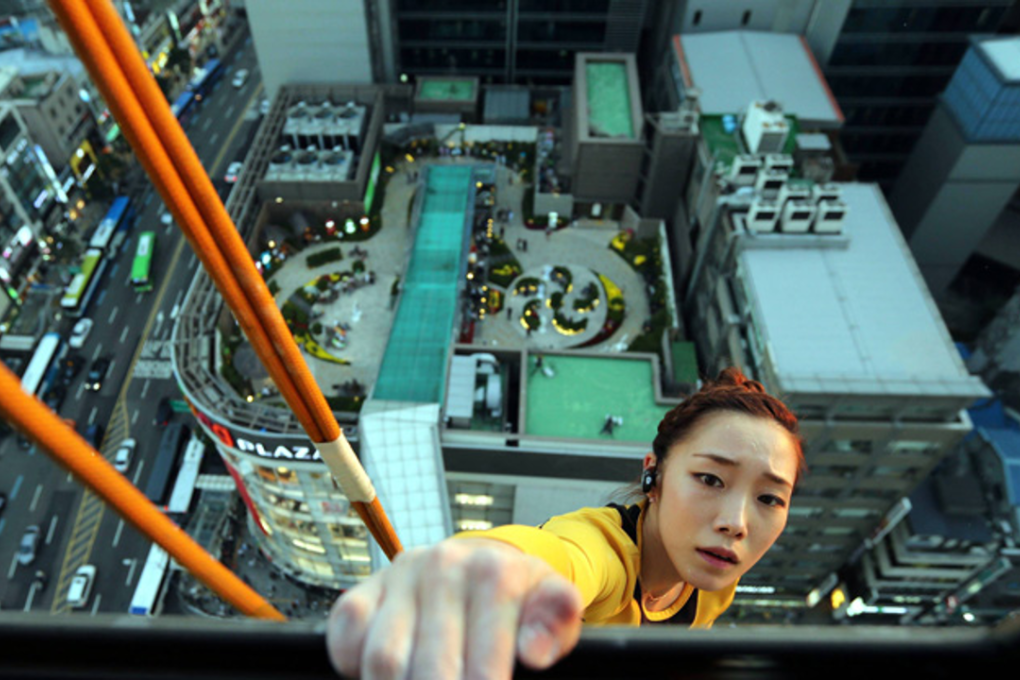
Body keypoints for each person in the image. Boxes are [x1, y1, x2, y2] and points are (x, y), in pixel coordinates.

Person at [326, 368, 807, 679]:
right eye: (709, 478)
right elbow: (552, 556)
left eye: (769, 497)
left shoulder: (715, 583)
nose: (736, 523)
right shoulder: (604, 554)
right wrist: (469, 575)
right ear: (653, 476)